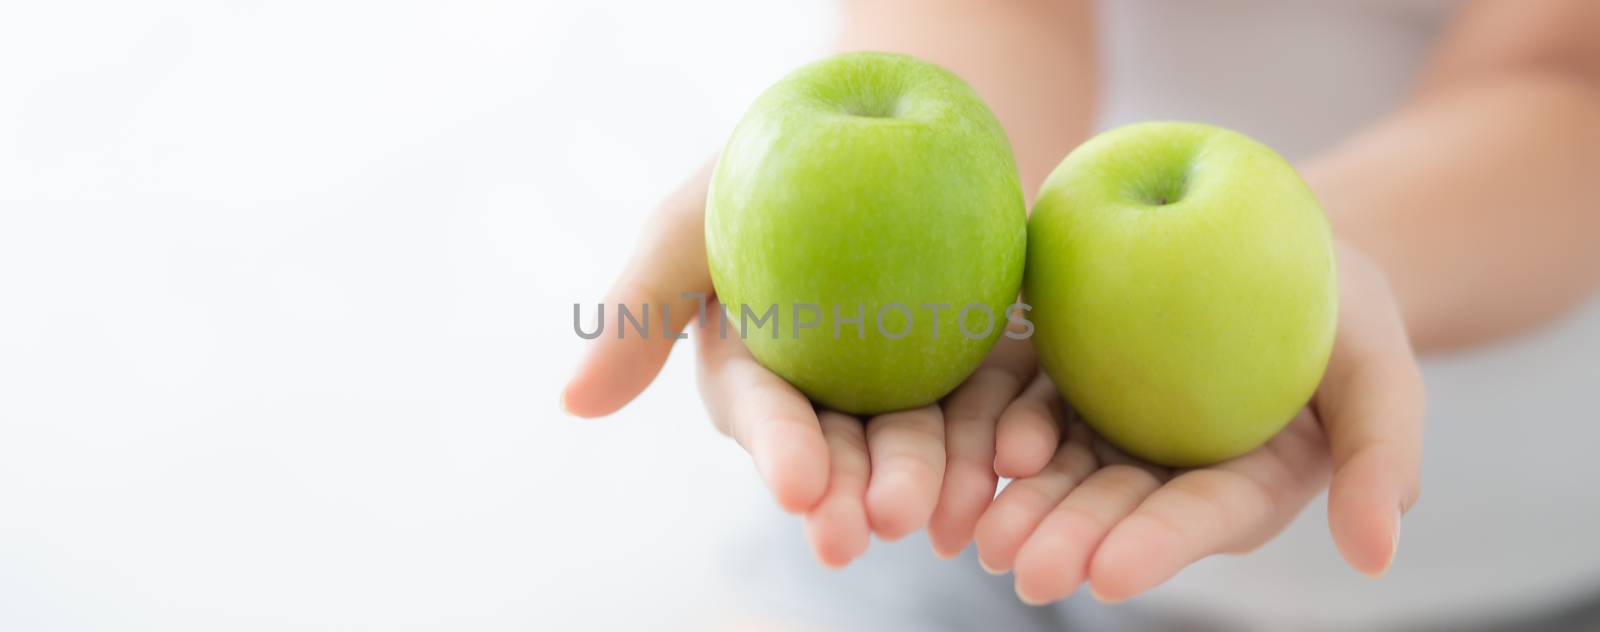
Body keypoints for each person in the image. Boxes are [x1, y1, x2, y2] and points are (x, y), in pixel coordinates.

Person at [562, 0, 1600, 625]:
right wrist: (903, 210)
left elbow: (1566, 77)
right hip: (976, 465)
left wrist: (1326, 259)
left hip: (1513, 566)